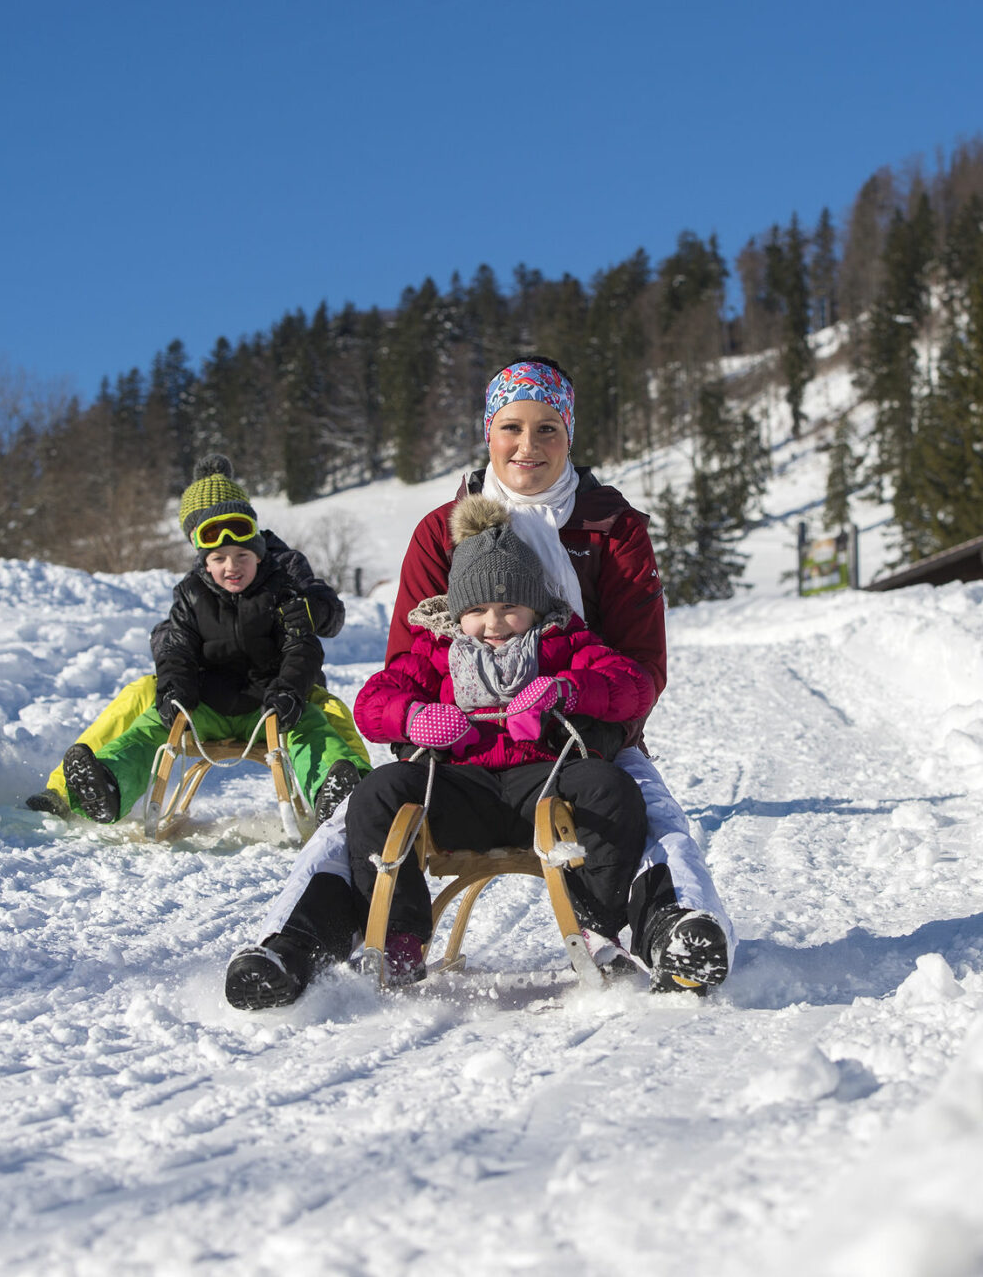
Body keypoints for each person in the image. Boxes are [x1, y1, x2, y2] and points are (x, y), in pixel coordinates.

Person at [228, 357, 733, 1001]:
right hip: (455, 761)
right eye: (512, 427)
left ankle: (668, 931)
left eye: (548, 428)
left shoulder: (609, 533)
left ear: (570, 435)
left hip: (577, 741)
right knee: (361, 813)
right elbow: (396, 680)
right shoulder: (440, 534)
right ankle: (293, 949)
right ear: (487, 432)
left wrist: (574, 710)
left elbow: (640, 668)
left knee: (646, 810)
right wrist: (416, 727)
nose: (529, 445)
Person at [227, 494, 656, 1005]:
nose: (494, 623)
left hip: (545, 782)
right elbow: (373, 702)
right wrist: (414, 718)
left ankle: (601, 927)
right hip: (456, 790)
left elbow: (632, 684)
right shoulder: (436, 650)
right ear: (457, 611)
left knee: (610, 788)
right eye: (476, 610)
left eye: (510, 608)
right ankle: (401, 935)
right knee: (378, 792)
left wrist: (566, 690)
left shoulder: (561, 640)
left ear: (534, 606)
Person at [24, 462, 371, 825]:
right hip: (213, 697)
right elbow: (180, 635)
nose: (223, 554)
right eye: (201, 534)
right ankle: (74, 790)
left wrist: (311, 611)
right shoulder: (199, 580)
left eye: (234, 543)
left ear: (248, 523)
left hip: (285, 685)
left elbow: (323, 618)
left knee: (325, 713)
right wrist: (172, 663)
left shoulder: (283, 566)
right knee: (143, 696)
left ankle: (359, 793)